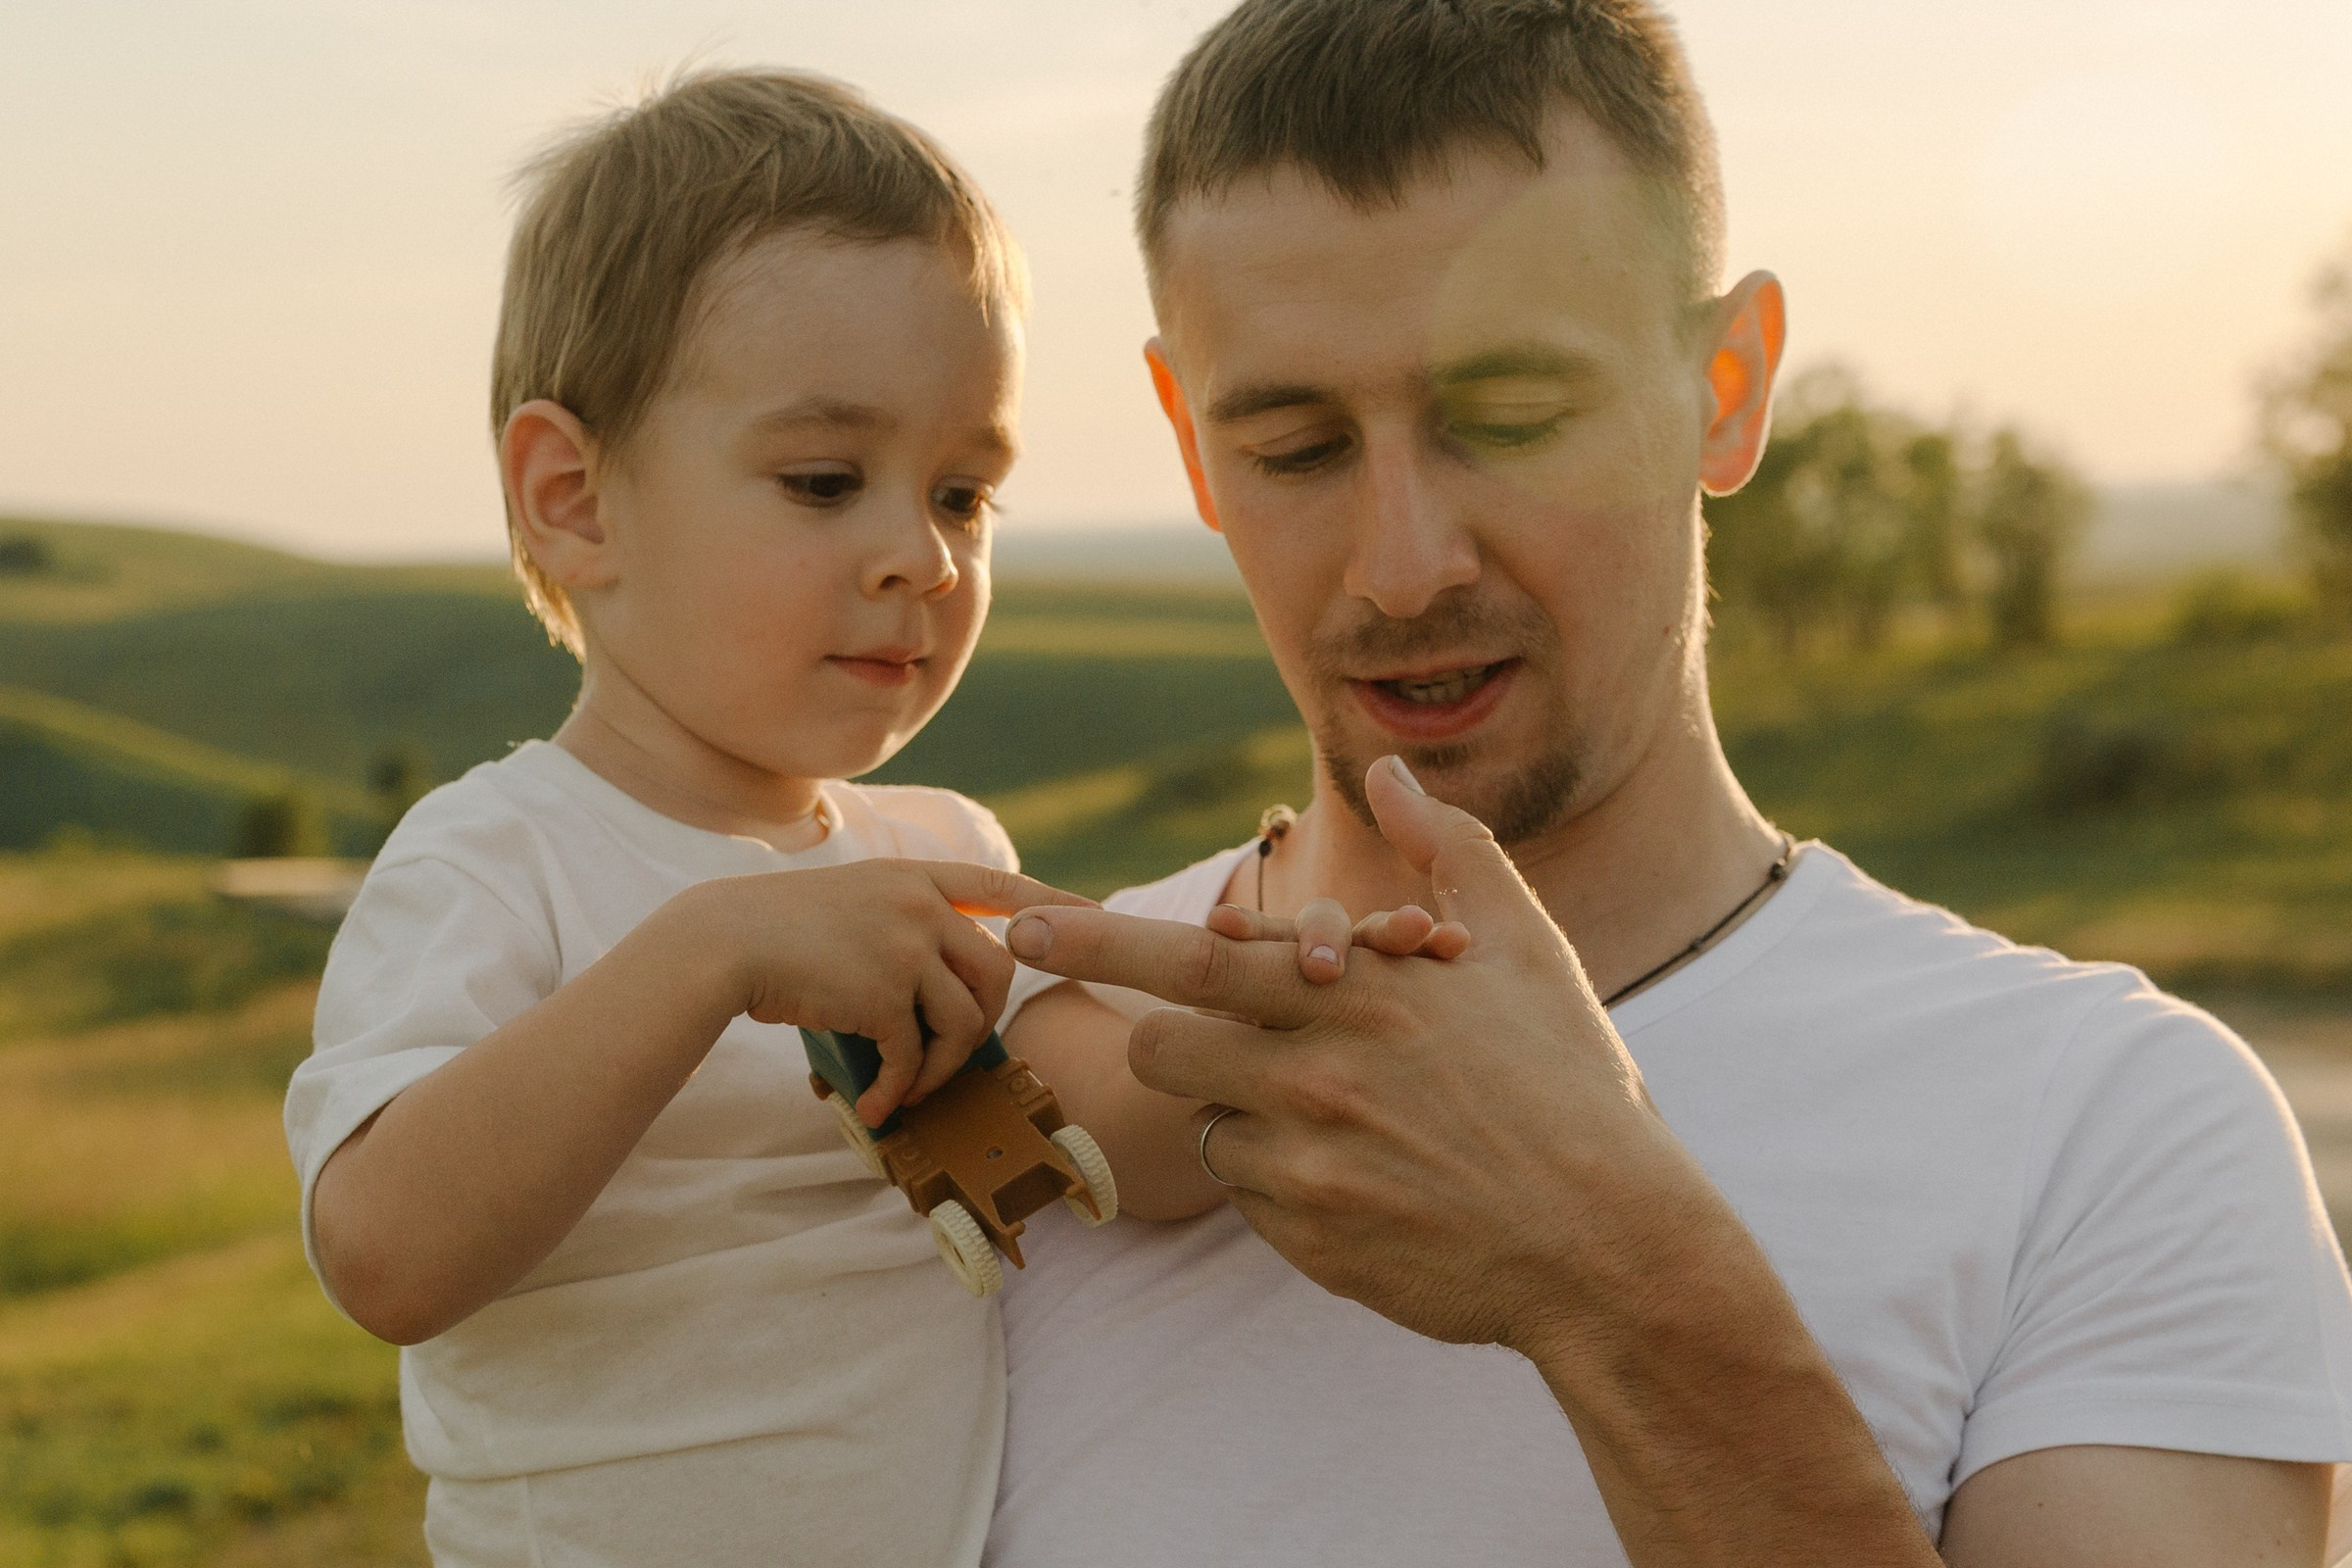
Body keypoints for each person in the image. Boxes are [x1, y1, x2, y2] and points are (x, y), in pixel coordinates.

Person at [984, 2, 2352, 1563]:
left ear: (1726, 384)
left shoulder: (2111, 1136)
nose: (1406, 561)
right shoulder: (1035, 1085)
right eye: (1296, 446)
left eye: (1510, 420)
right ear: (1189, 447)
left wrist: (1614, 1272)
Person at [276, 69, 1301, 1568]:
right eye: (826, 480)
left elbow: (1093, 1163)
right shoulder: (498, 859)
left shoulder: (938, 853)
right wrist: (710, 958)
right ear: (573, 498)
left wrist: (1275, 973)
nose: (924, 558)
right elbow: (382, 1255)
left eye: (964, 495)